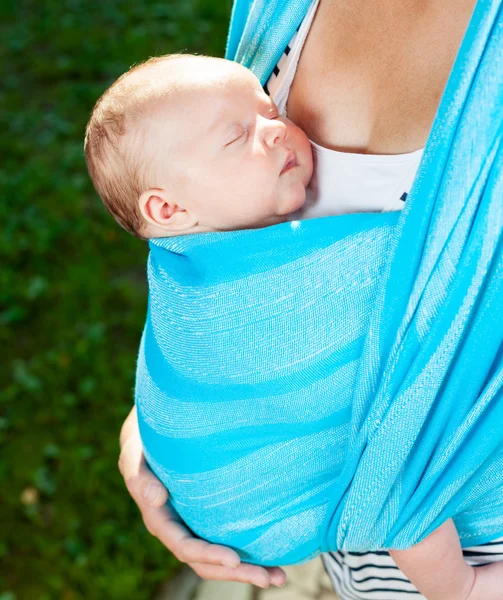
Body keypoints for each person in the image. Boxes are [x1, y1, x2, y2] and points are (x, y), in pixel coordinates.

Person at [116, 1, 503, 598]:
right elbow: (224, 299)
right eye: (245, 130)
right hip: (354, 559)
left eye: (270, 113)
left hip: (465, 536)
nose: (273, 126)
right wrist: (185, 429)